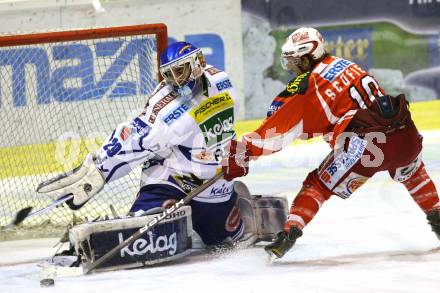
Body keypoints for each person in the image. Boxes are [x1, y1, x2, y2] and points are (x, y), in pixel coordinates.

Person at [222, 27, 440, 258]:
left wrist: (243, 151)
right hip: (404, 132)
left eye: (293, 61)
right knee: (414, 174)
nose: (291, 68)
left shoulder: (307, 85)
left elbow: (277, 132)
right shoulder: (345, 63)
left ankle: (289, 233)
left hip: (367, 146)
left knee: (317, 185)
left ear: (306, 59)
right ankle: (437, 216)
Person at [39, 41, 244, 247]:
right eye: (169, 74)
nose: (175, 80)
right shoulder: (166, 108)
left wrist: (236, 153)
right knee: (143, 238)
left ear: (197, 65)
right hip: (171, 180)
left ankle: (239, 202)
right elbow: (133, 139)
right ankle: (142, 215)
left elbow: (225, 132)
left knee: (222, 240)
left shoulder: (221, 80)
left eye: (180, 71)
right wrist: (97, 173)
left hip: (214, 184)